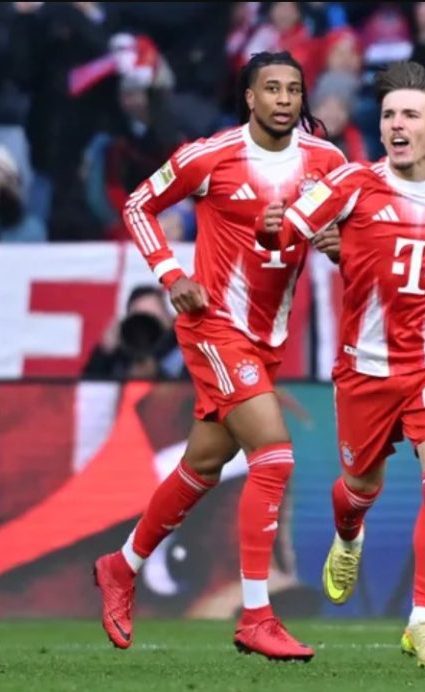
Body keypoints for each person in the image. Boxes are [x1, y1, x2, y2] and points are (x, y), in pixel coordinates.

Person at [92, 51, 346, 661]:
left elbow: (350, 236)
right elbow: (137, 205)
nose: (284, 98)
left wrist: (342, 245)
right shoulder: (210, 155)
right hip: (212, 326)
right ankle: (256, 614)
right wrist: (171, 272)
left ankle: (121, 565)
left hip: (267, 338)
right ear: (250, 99)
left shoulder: (328, 163)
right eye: (272, 89)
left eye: (293, 89)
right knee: (275, 457)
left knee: (203, 466)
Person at [257, 61, 425, 672]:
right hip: (365, 370)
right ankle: (349, 536)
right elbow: (287, 232)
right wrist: (273, 230)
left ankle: (422, 621)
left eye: (410, 115)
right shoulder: (351, 185)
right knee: (360, 490)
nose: (396, 124)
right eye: (389, 114)